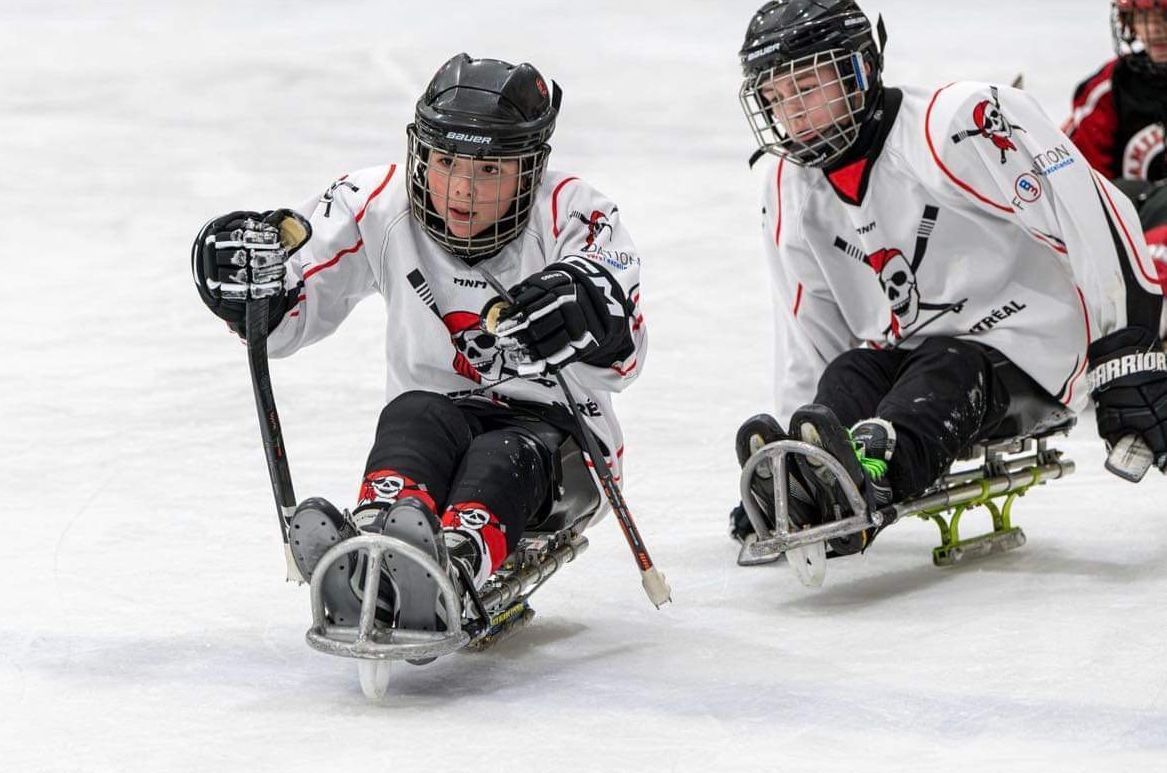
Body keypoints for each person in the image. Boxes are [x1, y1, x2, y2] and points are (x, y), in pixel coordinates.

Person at [192, 53, 646, 630]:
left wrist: (589, 314)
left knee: (498, 454)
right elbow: (290, 314)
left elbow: (625, 360)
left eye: (489, 170)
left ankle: (451, 568)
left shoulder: (575, 214)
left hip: (559, 444)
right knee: (412, 416)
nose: (461, 188)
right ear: (419, 151)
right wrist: (252, 290)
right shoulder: (380, 203)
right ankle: (375, 542)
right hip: (437, 424)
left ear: (530, 168)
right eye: (445, 160)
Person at [728, 0, 1167, 558]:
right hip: (916, 360)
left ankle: (873, 474)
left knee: (945, 365)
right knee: (851, 369)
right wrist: (796, 437)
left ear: (859, 71)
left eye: (808, 87)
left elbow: (1095, 214)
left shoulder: (958, 124)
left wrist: (1128, 353)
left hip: (1032, 351)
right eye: (777, 98)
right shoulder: (788, 188)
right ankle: (811, 477)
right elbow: (807, 334)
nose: (794, 114)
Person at [1065, 0, 1167, 313]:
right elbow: (1081, 187)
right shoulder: (1109, 88)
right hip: (1134, 225)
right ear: (1128, 22)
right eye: (1142, 16)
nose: (1154, 29)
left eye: (1164, 15)